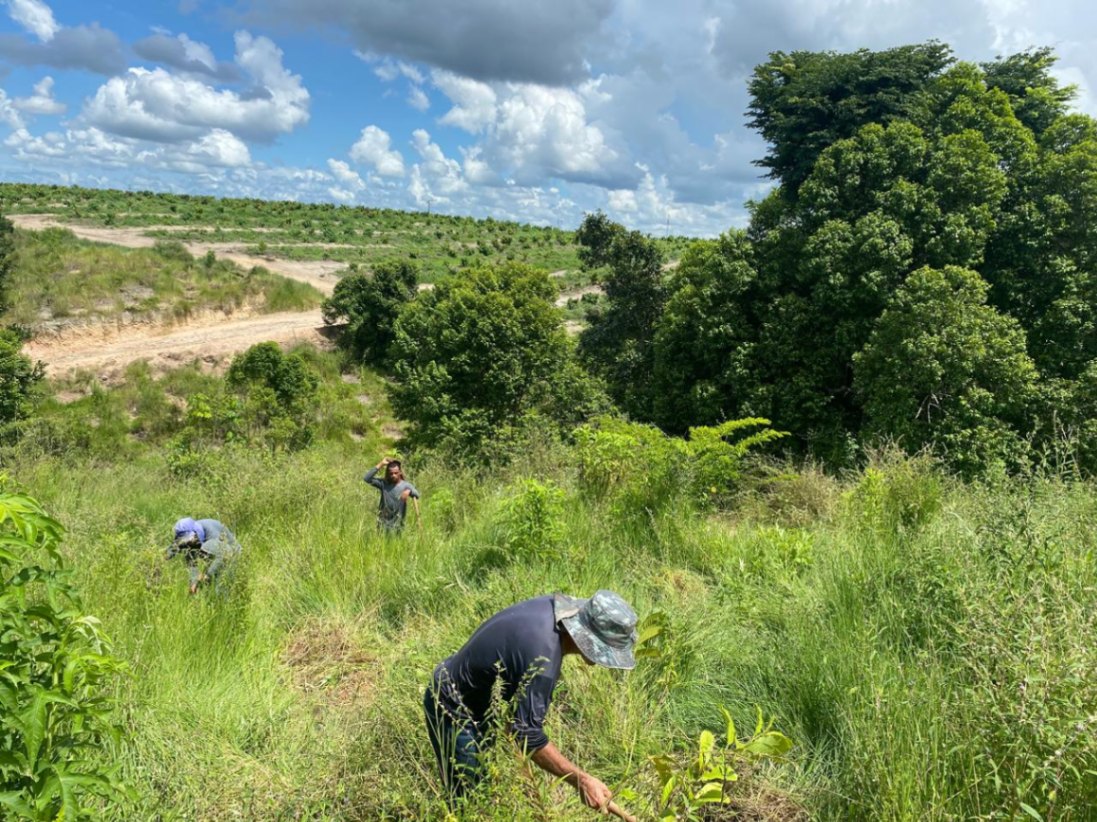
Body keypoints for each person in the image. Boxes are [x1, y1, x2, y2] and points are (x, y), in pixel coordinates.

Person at [424, 590, 639, 818]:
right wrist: (582, 780)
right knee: (471, 803)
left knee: (484, 783)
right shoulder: (543, 660)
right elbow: (525, 734)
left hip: (476, 698)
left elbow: (516, 723)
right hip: (451, 706)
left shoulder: (557, 610)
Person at [166, 517, 242, 594]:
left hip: (231, 553)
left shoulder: (212, 534)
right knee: (204, 585)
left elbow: (225, 554)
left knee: (219, 588)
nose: (190, 542)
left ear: (196, 532)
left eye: (191, 540)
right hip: (215, 552)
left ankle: (222, 601)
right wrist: (194, 582)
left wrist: (207, 575)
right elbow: (190, 560)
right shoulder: (189, 534)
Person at [363, 456, 421, 532]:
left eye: (396, 473)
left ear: (400, 472)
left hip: (398, 524)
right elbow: (367, 478)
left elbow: (417, 494)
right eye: (391, 473)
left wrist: (409, 491)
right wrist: (381, 464)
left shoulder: (406, 485)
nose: (393, 475)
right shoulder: (383, 484)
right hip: (383, 523)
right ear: (388, 473)